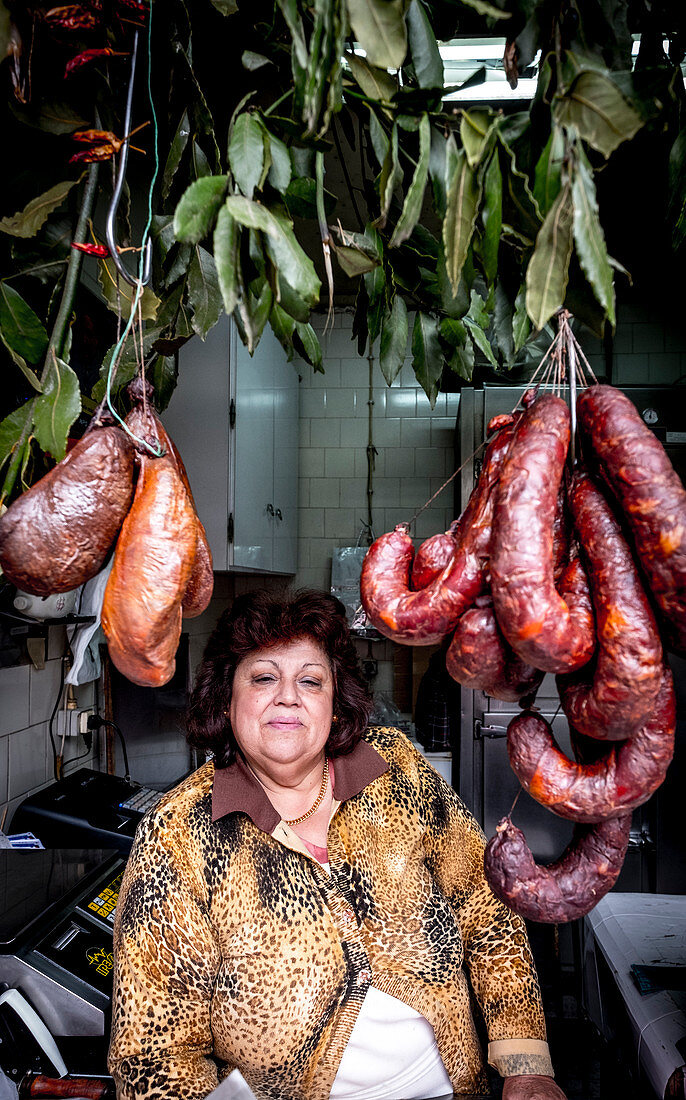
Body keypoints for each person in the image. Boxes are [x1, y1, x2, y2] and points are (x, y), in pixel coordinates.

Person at [108, 590, 568, 1100]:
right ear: (226, 697)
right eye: (264, 678)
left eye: (310, 680)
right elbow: (153, 1055)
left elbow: (486, 909)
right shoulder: (176, 833)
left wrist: (527, 1066)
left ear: (335, 700)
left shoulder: (396, 771)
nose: (288, 696)